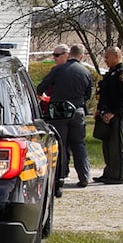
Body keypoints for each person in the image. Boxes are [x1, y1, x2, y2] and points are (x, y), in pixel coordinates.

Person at [37, 43, 95, 193]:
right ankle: (84, 176)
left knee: (60, 144)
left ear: (69, 54)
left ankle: (59, 176)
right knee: (78, 144)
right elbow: (89, 94)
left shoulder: (58, 70)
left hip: (59, 111)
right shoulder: (86, 72)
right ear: (81, 56)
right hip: (78, 111)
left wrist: (50, 96)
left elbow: (41, 87)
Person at [95, 45, 123, 184]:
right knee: (107, 145)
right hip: (107, 113)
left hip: (118, 114)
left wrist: (113, 113)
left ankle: (117, 176)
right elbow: (104, 94)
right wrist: (100, 110)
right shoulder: (111, 73)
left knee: (116, 145)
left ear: (116, 56)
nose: (105, 60)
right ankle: (108, 173)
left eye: (107, 57)